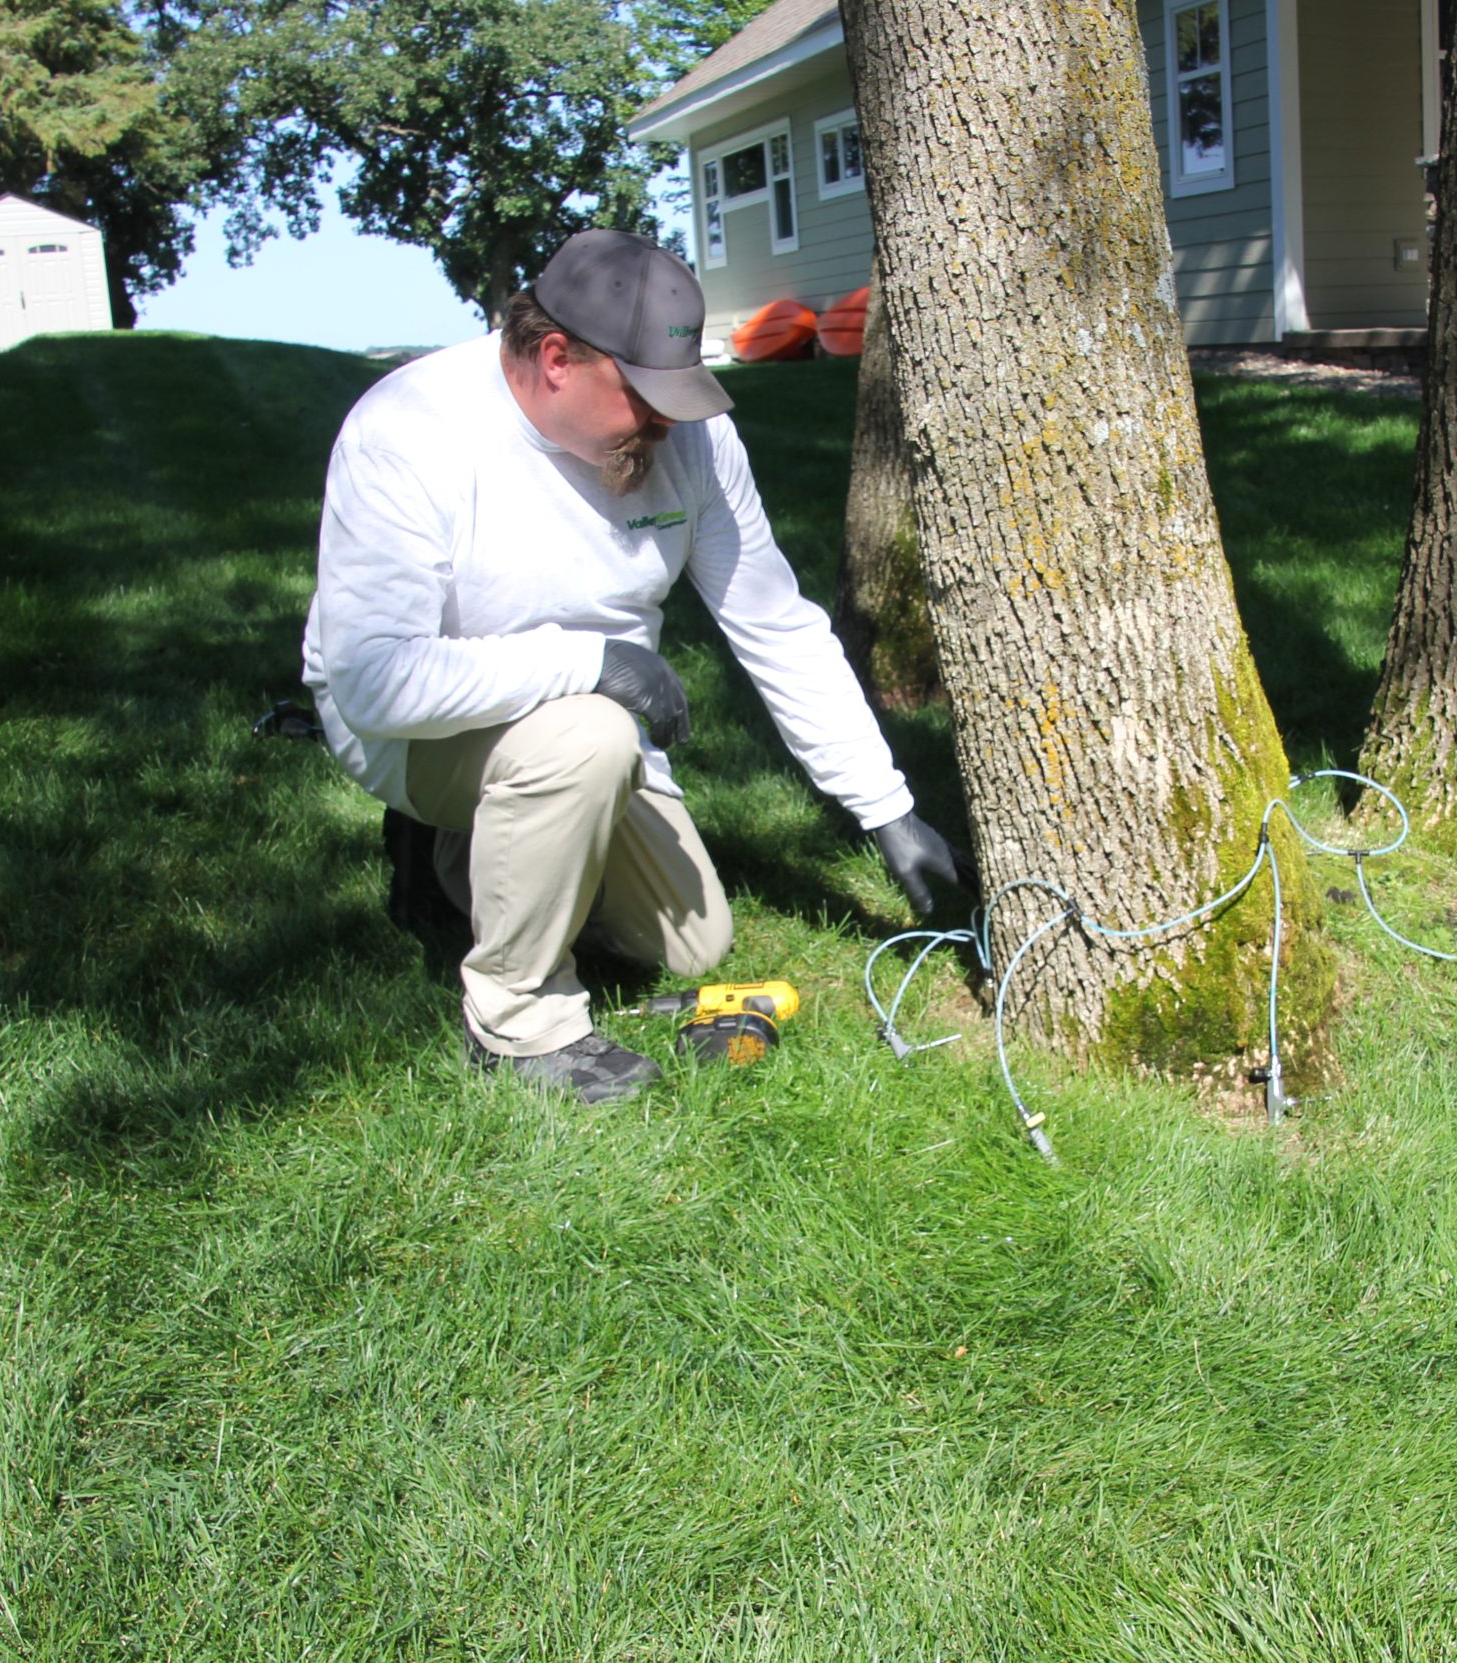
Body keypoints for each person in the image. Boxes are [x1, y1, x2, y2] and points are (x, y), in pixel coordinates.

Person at [303, 228, 969, 1103]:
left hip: (585, 733)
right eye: (645, 398)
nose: (667, 423)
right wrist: (589, 662)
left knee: (694, 946)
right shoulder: (409, 431)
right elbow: (375, 682)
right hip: (418, 727)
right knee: (585, 735)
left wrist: (888, 811)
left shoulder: (687, 438)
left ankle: (458, 862)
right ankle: (518, 1026)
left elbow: (773, 623)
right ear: (555, 359)